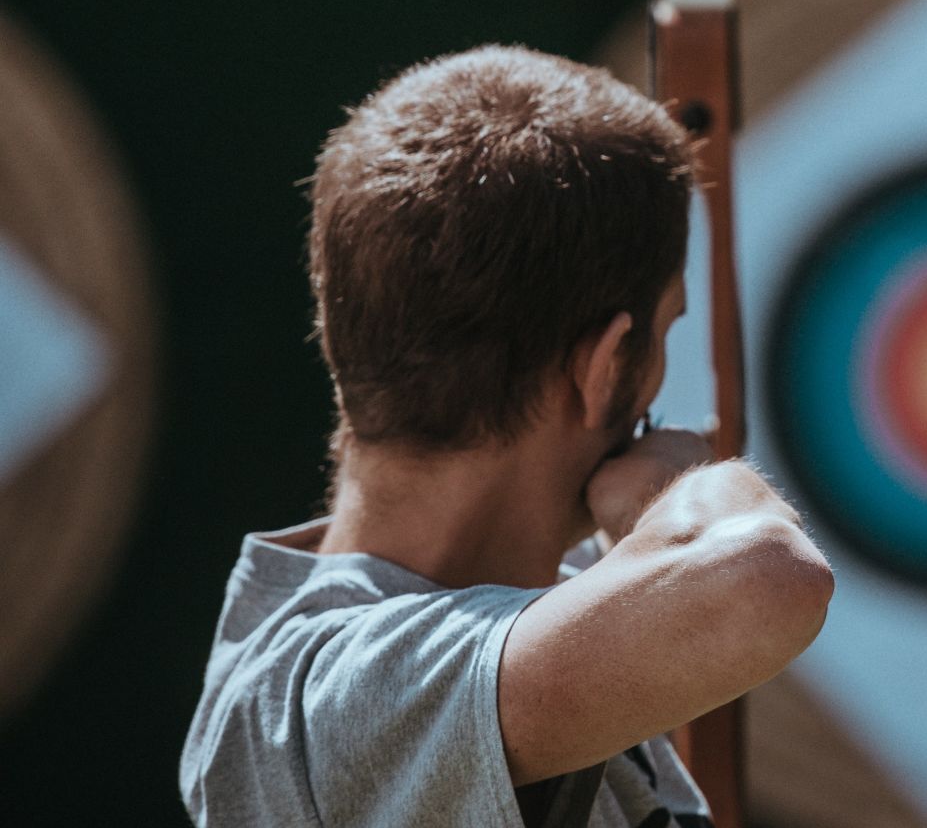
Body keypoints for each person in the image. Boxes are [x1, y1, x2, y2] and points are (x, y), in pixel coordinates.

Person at [179, 45, 835, 828]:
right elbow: (764, 579)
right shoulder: (330, 698)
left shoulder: (541, 595)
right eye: (663, 335)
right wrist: (679, 485)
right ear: (602, 368)